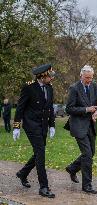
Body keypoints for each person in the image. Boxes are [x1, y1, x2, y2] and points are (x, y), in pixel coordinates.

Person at [13, 64, 56, 198]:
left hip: (42, 125)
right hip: (31, 125)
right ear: (42, 76)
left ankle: (23, 173)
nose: (51, 79)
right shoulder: (29, 87)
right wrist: (16, 126)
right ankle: (43, 187)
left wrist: (52, 125)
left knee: (38, 153)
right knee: (41, 155)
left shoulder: (49, 88)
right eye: (49, 76)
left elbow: (50, 108)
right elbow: (20, 108)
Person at [65, 65, 97, 194]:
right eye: (87, 78)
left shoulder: (94, 86)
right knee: (87, 155)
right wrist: (87, 109)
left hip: (91, 125)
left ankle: (72, 168)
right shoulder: (74, 88)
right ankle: (87, 185)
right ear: (81, 76)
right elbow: (69, 109)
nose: (89, 80)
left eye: (91, 78)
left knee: (90, 153)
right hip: (78, 126)